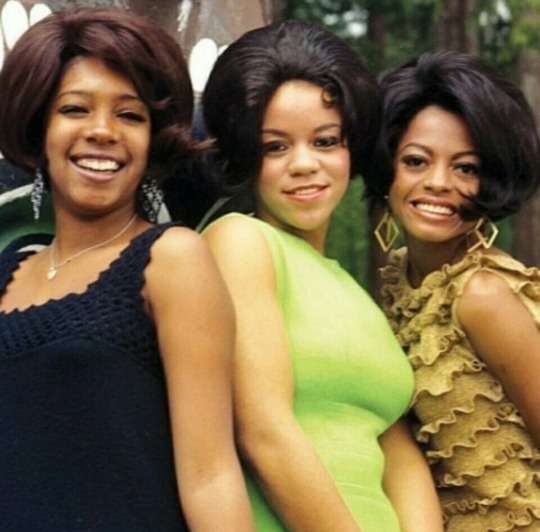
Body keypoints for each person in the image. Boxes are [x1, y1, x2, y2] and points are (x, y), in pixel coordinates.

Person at [0, 7, 254, 531]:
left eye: (130, 115)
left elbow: (210, 476)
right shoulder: (10, 267)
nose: (102, 131)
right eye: (75, 109)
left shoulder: (169, 259)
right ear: (39, 128)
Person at [201, 20, 443, 532]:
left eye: (326, 141)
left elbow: (394, 446)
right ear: (244, 153)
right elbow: (263, 432)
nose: (304, 164)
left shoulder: (353, 288)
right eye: (275, 146)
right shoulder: (240, 242)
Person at [364, 49, 540, 531]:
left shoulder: (483, 295)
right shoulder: (400, 280)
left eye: (466, 168)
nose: (438, 183)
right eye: (416, 161)